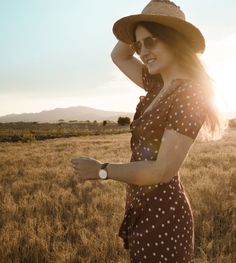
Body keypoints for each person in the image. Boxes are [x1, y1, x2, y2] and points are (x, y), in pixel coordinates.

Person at [71, 0, 226, 262]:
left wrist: (101, 170)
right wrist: (141, 21)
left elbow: (162, 170)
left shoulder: (189, 93)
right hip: (141, 208)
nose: (142, 51)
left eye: (151, 41)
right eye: (138, 44)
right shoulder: (156, 85)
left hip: (164, 217)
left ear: (174, 40)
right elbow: (118, 55)